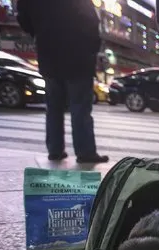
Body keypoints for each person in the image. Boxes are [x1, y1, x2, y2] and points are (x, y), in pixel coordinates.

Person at [17, 0, 108, 163]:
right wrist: (92, 48)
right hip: (77, 55)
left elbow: (23, 18)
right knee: (80, 108)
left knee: (53, 107)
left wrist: (41, 33)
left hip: (49, 54)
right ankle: (85, 152)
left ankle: (55, 150)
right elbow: (90, 20)